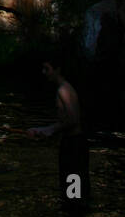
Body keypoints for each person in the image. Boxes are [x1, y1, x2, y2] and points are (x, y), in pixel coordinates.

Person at [28, 59, 90, 202]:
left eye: (47, 69)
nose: (44, 73)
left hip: (74, 147)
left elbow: (73, 119)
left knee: (73, 192)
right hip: (74, 144)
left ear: (58, 70)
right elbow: (67, 121)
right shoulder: (65, 88)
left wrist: (49, 130)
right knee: (74, 189)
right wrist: (44, 131)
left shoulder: (63, 90)